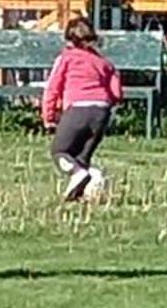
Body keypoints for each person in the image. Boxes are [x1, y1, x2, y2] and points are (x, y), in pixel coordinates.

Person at [41, 16, 124, 202]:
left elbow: (52, 88)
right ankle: (90, 181)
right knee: (81, 156)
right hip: (102, 112)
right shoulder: (103, 63)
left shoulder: (66, 58)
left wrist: (49, 117)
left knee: (60, 151)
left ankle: (80, 174)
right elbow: (117, 93)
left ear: (69, 39)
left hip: (78, 108)